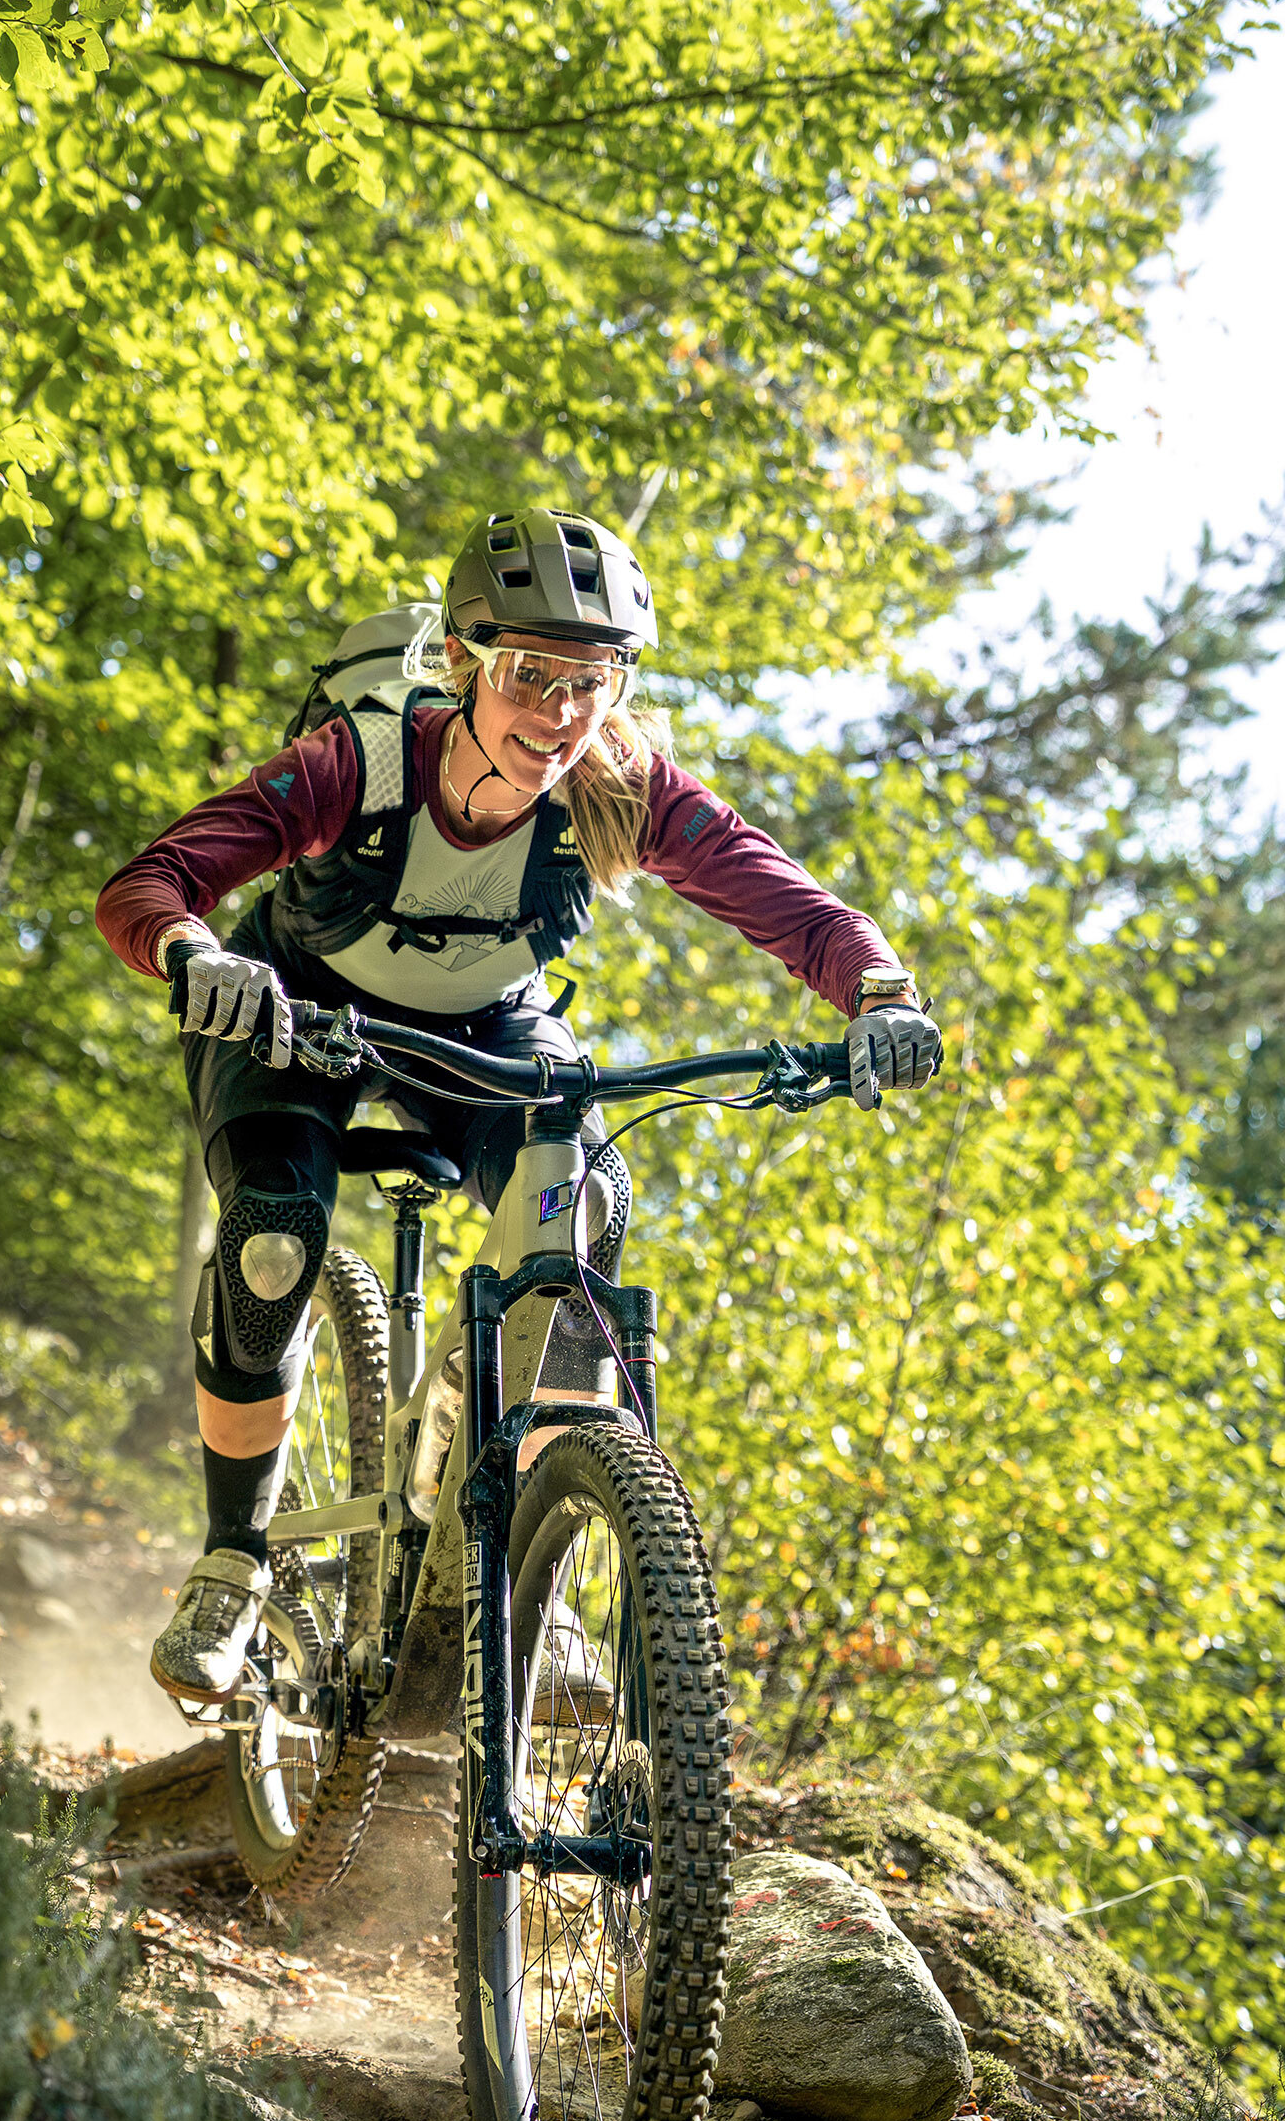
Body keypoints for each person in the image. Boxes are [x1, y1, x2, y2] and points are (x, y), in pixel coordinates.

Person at [95, 504, 941, 1710]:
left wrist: (878, 991)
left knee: (578, 1218)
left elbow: (789, 904)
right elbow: (155, 879)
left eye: (589, 681)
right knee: (272, 1243)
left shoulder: (619, 787)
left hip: (487, 1026)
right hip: (297, 1013)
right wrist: (194, 956)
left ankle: (510, 1553)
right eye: (531, 675)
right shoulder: (359, 762)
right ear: (463, 664)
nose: (558, 711)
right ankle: (233, 1559)